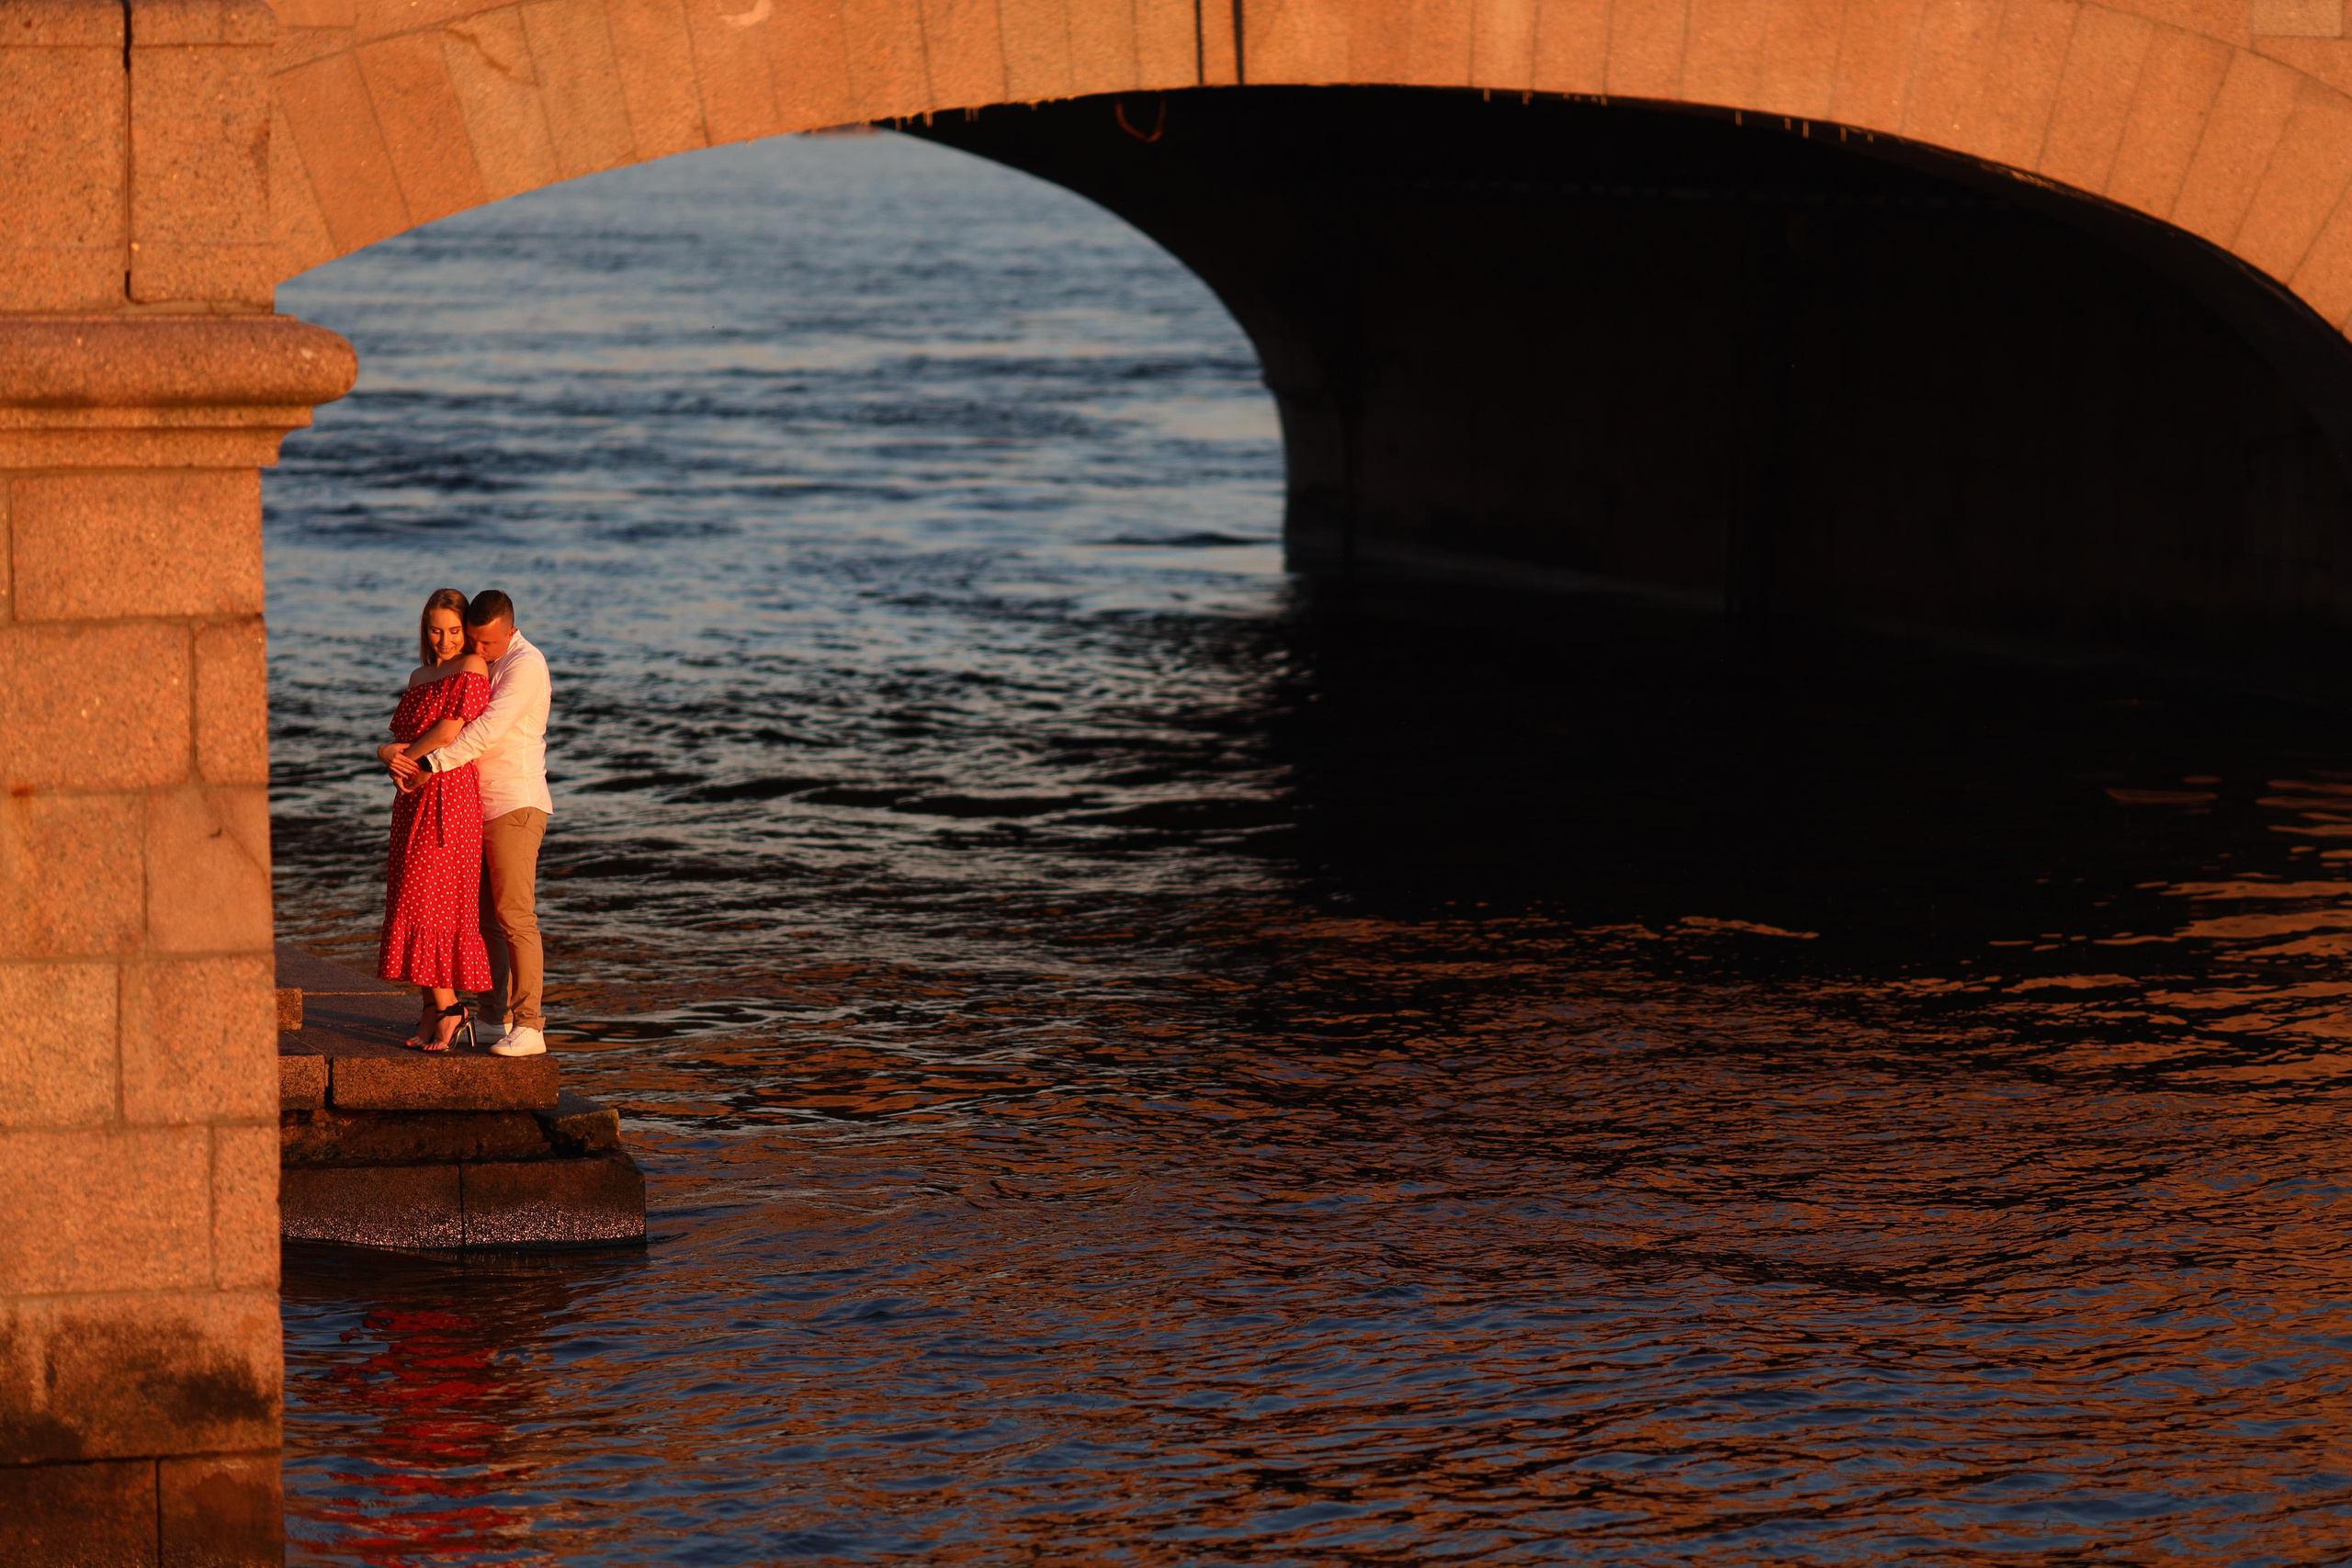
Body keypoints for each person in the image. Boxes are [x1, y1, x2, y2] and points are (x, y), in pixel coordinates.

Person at [384, 589, 554, 1057]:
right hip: (474, 803)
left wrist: (426, 765)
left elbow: (484, 731)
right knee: (486, 920)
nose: (477, 650)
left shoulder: (525, 665)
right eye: (472, 640)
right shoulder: (482, 660)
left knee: (516, 915)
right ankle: (494, 1017)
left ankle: (531, 1025)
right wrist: (390, 753)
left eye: (486, 642)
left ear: (510, 631)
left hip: (513, 803)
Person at [375, 589, 493, 1051]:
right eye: (435, 631)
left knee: (431, 899)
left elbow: (449, 730)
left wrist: (410, 763)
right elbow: (401, 739)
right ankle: (431, 1008)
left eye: (453, 631)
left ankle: (451, 1008)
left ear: (466, 631)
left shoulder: (472, 668)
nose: (444, 640)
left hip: (450, 791)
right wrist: (388, 754)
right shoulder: (420, 674)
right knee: (409, 896)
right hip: (412, 797)